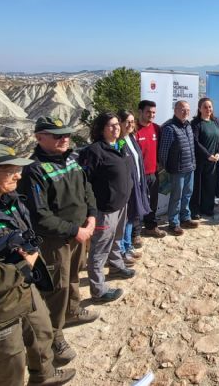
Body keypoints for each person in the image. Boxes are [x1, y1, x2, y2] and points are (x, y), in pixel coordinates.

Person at [0, 143, 76, 386]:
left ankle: (44, 376)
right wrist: (22, 266)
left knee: (42, 334)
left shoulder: (7, 200)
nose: (19, 175)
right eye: (10, 170)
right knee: (12, 366)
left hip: (24, 289)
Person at [17, 116, 100, 367]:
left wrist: (92, 217)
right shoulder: (34, 170)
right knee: (56, 288)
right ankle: (55, 336)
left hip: (80, 232)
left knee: (74, 275)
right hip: (55, 241)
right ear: (39, 137)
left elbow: (87, 189)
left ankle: (73, 310)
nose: (64, 138)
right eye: (57, 135)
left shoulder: (72, 159)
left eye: (66, 134)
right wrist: (76, 230)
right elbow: (39, 216)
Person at [78, 112, 135, 303]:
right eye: (110, 125)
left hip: (121, 205)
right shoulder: (94, 151)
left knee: (117, 239)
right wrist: (90, 211)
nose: (116, 128)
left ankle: (117, 266)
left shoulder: (120, 145)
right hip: (104, 209)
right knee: (99, 249)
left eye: (117, 124)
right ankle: (99, 289)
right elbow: (85, 182)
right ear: (101, 129)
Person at [159, 100, 200, 236]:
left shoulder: (188, 126)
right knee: (176, 196)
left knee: (187, 194)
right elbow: (163, 152)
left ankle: (185, 218)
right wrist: (167, 167)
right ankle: (173, 223)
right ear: (175, 110)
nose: (186, 112)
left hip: (190, 167)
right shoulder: (169, 128)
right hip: (177, 170)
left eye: (188, 110)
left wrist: (193, 163)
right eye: (182, 109)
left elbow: (191, 147)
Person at [117, 110, 150, 264]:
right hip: (126, 187)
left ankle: (128, 246)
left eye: (132, 121)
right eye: (127, 122)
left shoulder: (131, 138)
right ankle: (122, 251)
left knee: (131, 217)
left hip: (136, 183)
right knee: (125, 219)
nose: (130, 124)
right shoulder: (119, 142)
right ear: (120, 123)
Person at [134, 100, 165, 240]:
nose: (151, 115)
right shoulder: (133, 130)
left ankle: (151, 227)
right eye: (148, 112)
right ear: (140, 112)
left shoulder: (157, 129)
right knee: (135, 204)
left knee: (152, 202)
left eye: (153, 112)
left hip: (153, 173)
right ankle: (134, 234)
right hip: (137, 176)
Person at [190, 97, 219, 219]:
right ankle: (195, 210)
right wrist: (207, 155)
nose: (208, 109)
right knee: (198, 186)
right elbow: (195, 142)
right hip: (200, 161)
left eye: (210, 106)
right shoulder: (195, 124)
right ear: (199, 109)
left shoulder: (216, 122)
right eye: (205, 107)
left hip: (214, 161)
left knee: (210, 185)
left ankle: (208, 208)